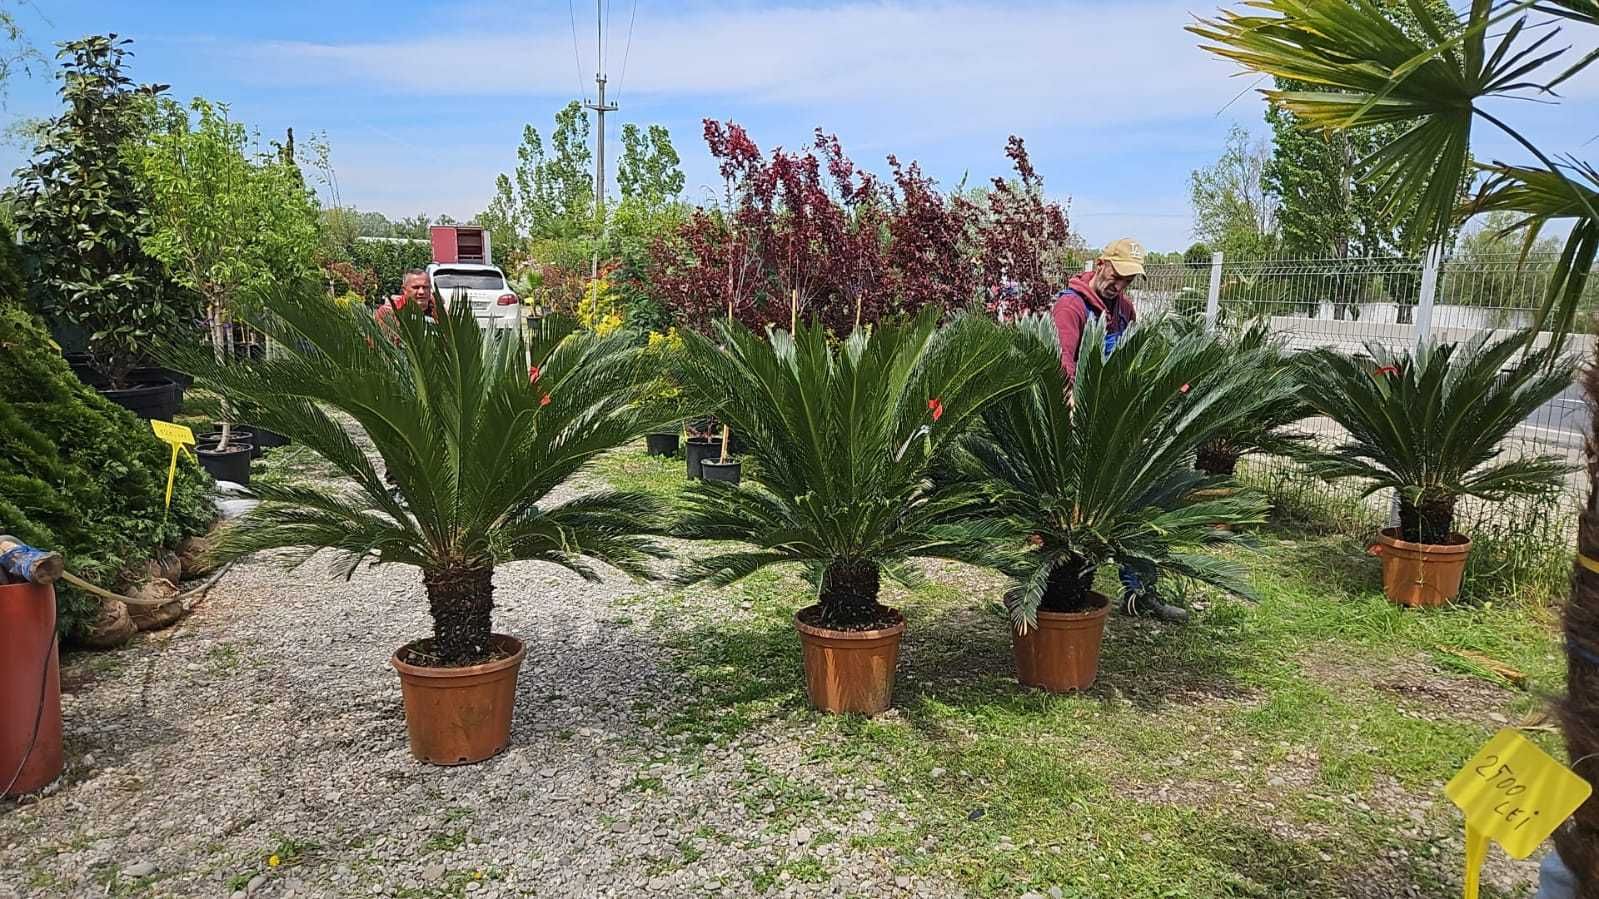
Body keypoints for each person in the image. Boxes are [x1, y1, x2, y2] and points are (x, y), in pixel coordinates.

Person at [1050, 238, 1190, 624]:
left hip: (1119, 428)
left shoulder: (1124, 310)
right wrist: (1075, 417)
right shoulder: (1070, 306)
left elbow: (1135, 362)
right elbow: (1061, 368)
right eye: (1118, 275)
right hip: (1081, 427)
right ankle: (1052, 593)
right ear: (1101, 264)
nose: (1122, 284)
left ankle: (1140, 593)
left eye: (1129, 279)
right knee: (1071, 516)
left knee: (1140, 504)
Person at [373, 268, 436, 339]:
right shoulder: (390, 312)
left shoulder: (436, 309)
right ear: (404, 290)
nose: (421, 292)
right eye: (416, 287)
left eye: (425, 287)